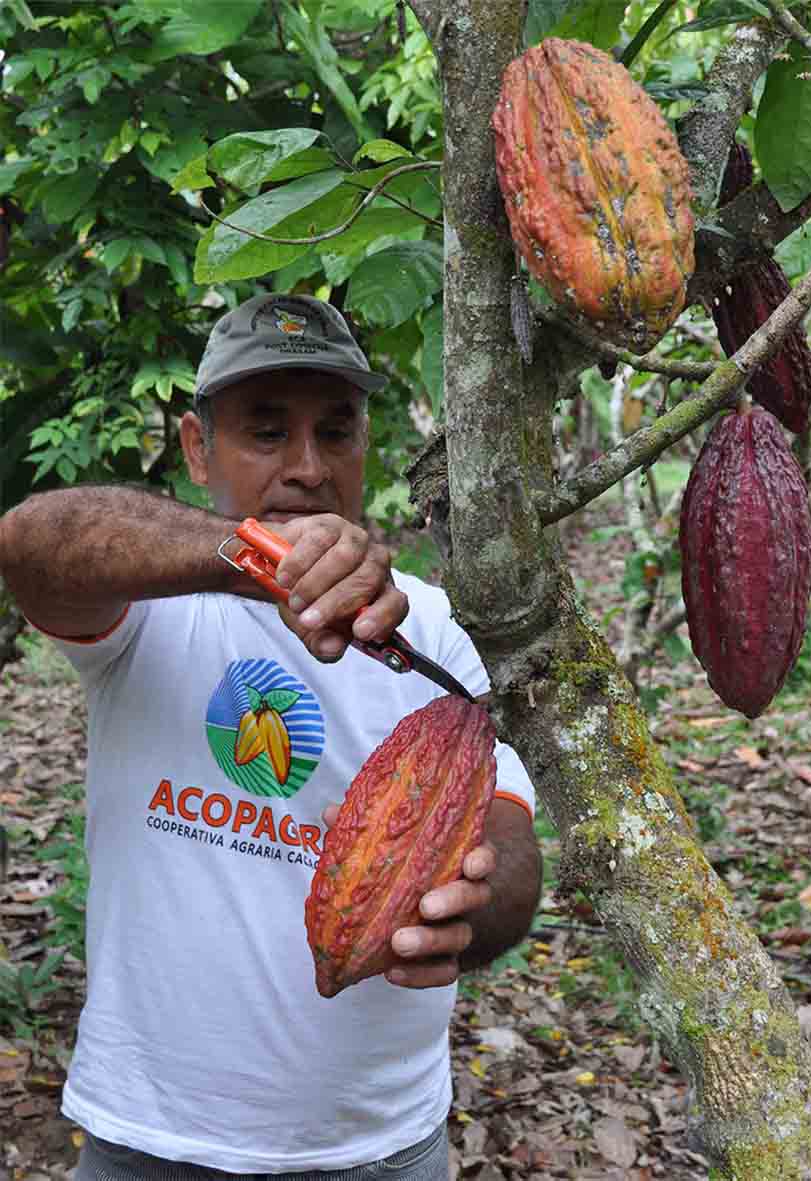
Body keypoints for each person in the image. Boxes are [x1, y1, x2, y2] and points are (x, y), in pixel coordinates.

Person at [0, 294, 541, 1180]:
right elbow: (30, 543)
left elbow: (512, 845)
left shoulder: (437, 633)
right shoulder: (150, 611)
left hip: (379, 1148)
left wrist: (474, 908)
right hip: (150, 1138)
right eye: (265, 432)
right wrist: (257, 562)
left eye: (337, 431)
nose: (307, 467)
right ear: (196, 448)